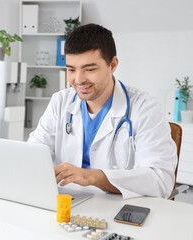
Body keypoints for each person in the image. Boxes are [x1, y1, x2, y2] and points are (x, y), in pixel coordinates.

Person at [27, 23, 177, 199]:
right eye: (71, 69)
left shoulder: (145, 108)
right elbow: (33, 154)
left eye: (90, 69)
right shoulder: (60, 102)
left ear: (112, 65)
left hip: (119, 208)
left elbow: (160, 181)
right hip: (66, 203)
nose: (79, 79)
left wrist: (93, 177)